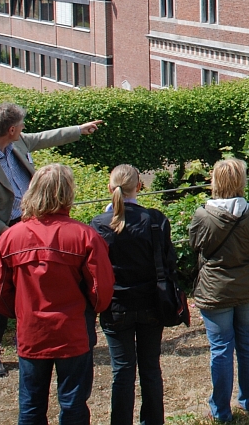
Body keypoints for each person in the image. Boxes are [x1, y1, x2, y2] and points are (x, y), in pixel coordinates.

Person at [0, 102, 102, 379]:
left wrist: (79, 130)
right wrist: (6, 233)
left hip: (29, 221)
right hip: (3, 231)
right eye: (22, 125)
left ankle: (40, 337)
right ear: (11, 129)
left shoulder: (17, 142)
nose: (25, 129)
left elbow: (43, 138)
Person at [0, 164, 114, 425]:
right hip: (73, 331)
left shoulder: (10, 238)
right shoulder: (85, 237)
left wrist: (20, 313)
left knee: (30, 406)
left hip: (32, 332)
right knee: (72, 405)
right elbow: (101, 292)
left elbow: (2, 295)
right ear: (68, 193)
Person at [91, 165, 175, 425]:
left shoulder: (99, 224)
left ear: (110, 188)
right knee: (150, 368)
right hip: (151, 302)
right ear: (139, 186)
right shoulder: (155, 220)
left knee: (122, 371)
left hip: (116, 306)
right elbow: (169, 262)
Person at [188, 158, 249, 422]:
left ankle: (221, 409)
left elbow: (195, 246)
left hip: (215, 288)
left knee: (220, 347)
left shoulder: (202, 215)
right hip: (247, 284)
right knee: (248, 341)